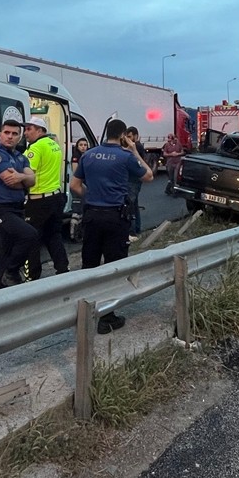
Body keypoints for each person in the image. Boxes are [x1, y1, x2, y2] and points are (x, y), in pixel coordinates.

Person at [70, 118, 152, 333]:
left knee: (89, 265)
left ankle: (85, 312)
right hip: (115, 218)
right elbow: (149, 176)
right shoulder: (125, 157)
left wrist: (92, 198)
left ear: (106, 132)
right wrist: (134, 151)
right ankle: (107, 318)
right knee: (113, 266)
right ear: (124, 135)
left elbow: (74, 185)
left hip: (92, 216)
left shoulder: (88, 155)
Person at [0, 112, 38, 288]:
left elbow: (33, 180)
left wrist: (21, 177)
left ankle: (1, 291)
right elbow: (11, 182)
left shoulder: (19, 156)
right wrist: (24, 179)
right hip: (0, 209)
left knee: (7, 252)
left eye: (14, 134)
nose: (10, 136)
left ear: (19, 137)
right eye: (7, 133)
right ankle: (12, 271)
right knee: (30, 235)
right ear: (0, 134)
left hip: (17, 208)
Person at [23, 116, 69, 280]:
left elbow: (28, 174)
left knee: (31, 239)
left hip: (38, 201)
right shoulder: (54, 145)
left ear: (40, 130)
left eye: (30, 129)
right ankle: (63, 270)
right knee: (54, 236)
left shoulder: (35, 149)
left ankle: (32, 278)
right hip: (55, 197)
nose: (26, 133)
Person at [125, 126, 147, 235]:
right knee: (134, 205)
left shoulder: (136, 146)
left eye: (129, 136)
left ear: (135, 136)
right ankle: (137, 228)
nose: (128, 139)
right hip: (135, 179)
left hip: (133, 180)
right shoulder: (137, 146)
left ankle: (132, 232)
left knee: (130, 206)